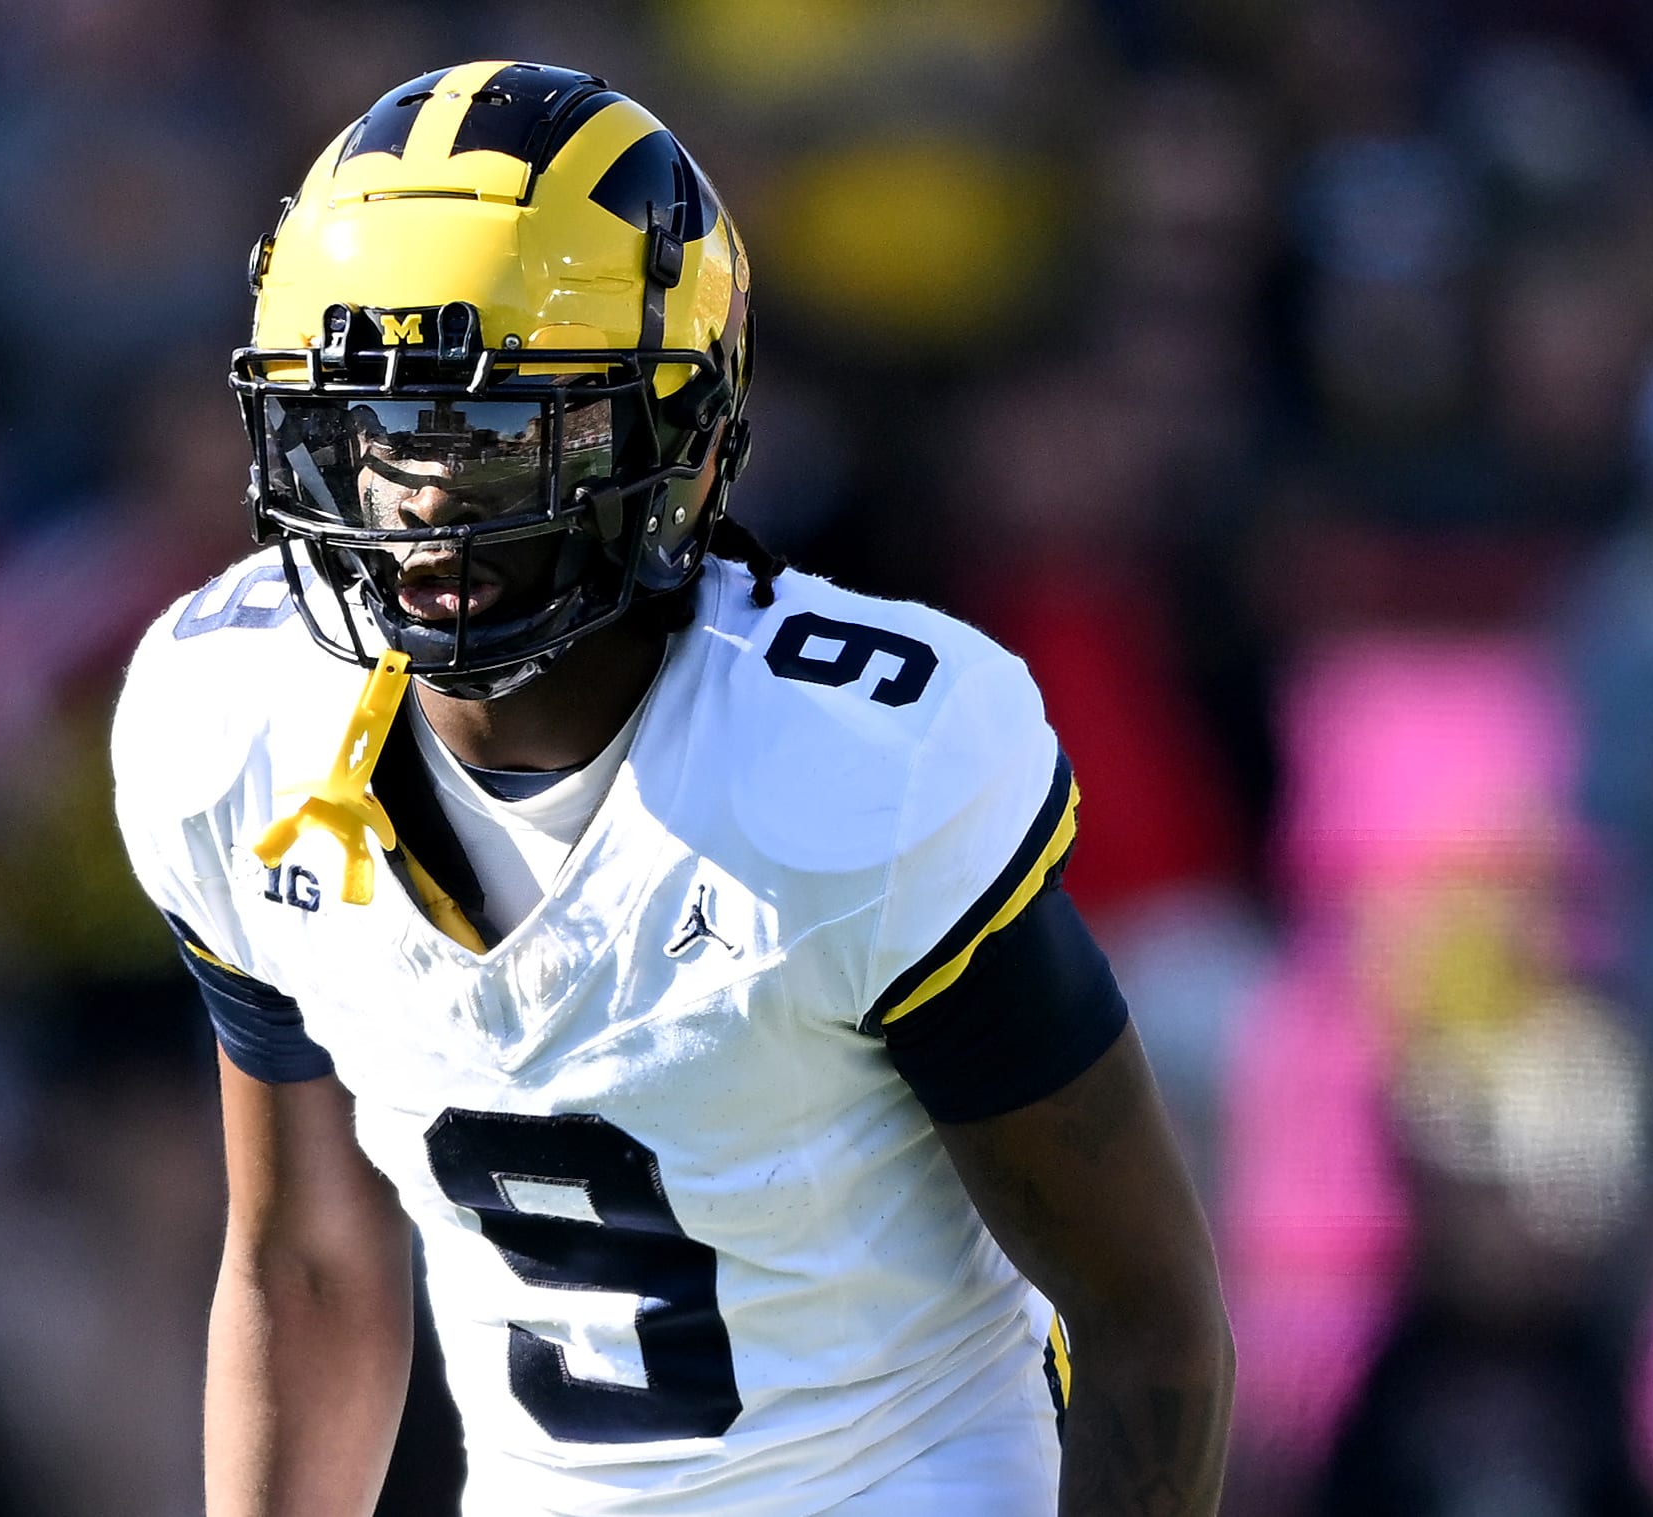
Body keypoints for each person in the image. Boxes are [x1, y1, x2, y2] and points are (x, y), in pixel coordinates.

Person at [112, 62, 1233, 1516]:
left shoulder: (842, 773)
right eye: (384, 431)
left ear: (675, 434)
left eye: (506, 428)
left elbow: (1150, 1322)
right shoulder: (236, 726)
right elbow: (310, 1267)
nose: (430, 495)